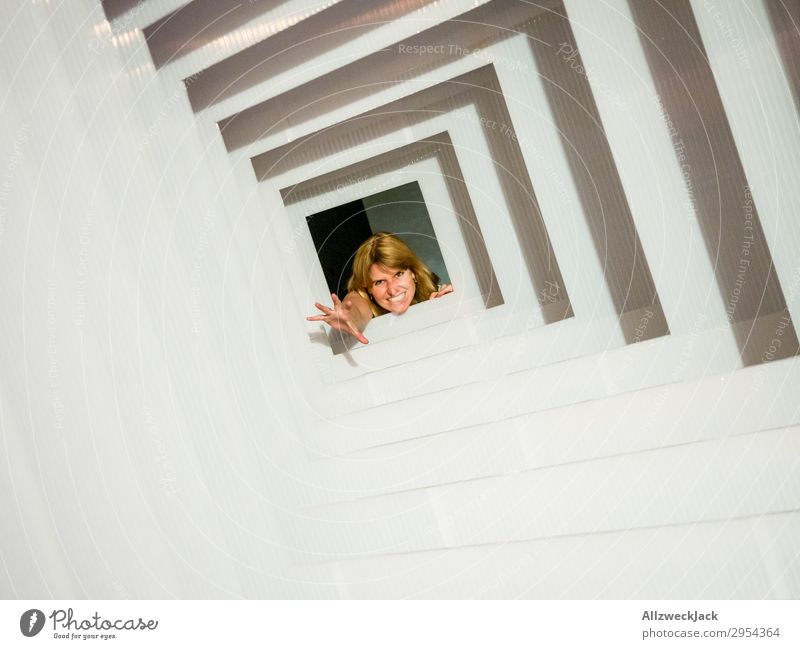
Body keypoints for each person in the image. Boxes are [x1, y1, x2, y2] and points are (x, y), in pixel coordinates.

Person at [307, 232, 454, 344]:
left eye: (398, 274)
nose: (392, 290)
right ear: (368, 288)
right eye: (379, 282)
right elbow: (355, 307)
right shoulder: (363, 298)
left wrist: (445, 307)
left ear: (413, 273)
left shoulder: (439, 294)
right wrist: (349, 318)